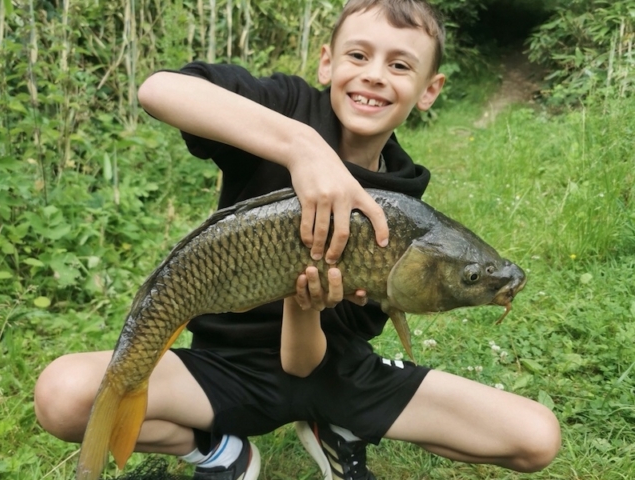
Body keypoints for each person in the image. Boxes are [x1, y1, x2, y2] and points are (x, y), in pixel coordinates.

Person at [34, 1, 561, 479]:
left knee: (536, 439)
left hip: (332, 368)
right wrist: (299, 145)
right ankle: (220, 452)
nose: (375, 76)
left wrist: (303, 306)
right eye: (359, 55)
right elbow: (158, 88)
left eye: (400, 65)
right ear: (327, 63)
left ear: (429, 90)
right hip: (226, 369)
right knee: (63, 395)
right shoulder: (285, 107)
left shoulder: (406, 202)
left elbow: (303, 364)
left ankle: (335, 426)